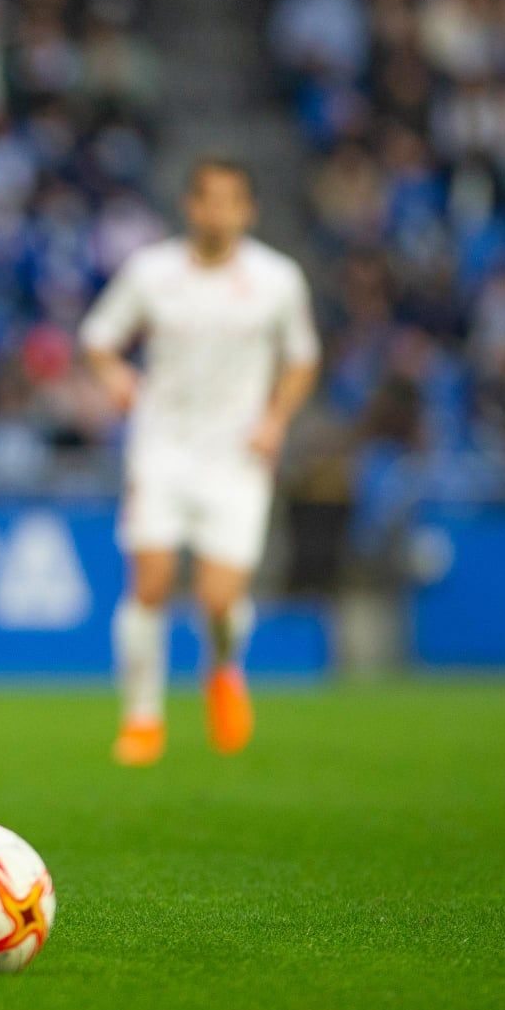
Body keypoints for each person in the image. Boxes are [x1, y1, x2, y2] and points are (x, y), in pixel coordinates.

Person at [79, 159, 320, 766]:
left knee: (218, 599)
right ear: (190, 206)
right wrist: (113, 376)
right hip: (161, 446)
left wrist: (275, 420)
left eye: (230, 201)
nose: (218, 212)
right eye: (207, 199)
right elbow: (99, 335)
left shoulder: (277, 280)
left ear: (249, 211)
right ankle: (142, 719)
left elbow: (302, 358)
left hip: (237, 454)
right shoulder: (152, 272)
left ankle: (223, 668)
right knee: (151, 581)